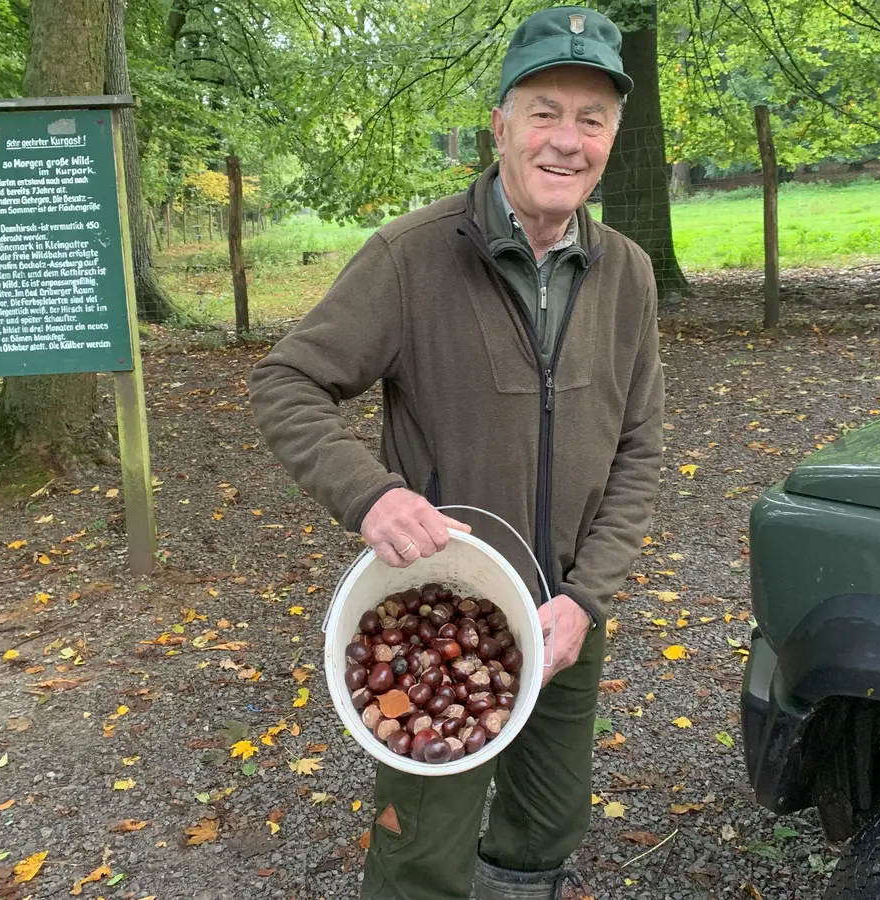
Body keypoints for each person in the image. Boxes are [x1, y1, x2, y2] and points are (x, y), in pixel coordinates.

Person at [248, 6, 664, 898]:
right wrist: (369, 495)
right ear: (501, 124)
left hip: (567, 612)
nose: (566, 140)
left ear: (613, 137)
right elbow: (287, 383)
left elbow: (639, 447)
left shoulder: (626, 270)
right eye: (544, 111)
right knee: (422, 846)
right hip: (447, 611)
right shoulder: (412, 257)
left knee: (548, 823)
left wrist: (589, 597)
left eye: (591, 120)